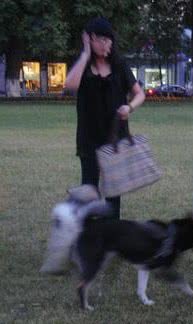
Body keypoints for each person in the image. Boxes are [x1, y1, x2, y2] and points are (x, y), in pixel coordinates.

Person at [64, 18, 145, 218]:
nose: (106, 44)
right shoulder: (83, 67)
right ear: (90, 40)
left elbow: (140, 94)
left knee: (113, 192)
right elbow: (69, 86)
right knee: (89, 189)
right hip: (89, 137)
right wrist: (85, 55)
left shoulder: (120, 66)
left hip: (114, 137)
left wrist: (130, 107)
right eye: (101, 40)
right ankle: (87, 234)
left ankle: (111, 234)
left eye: (109, 40)